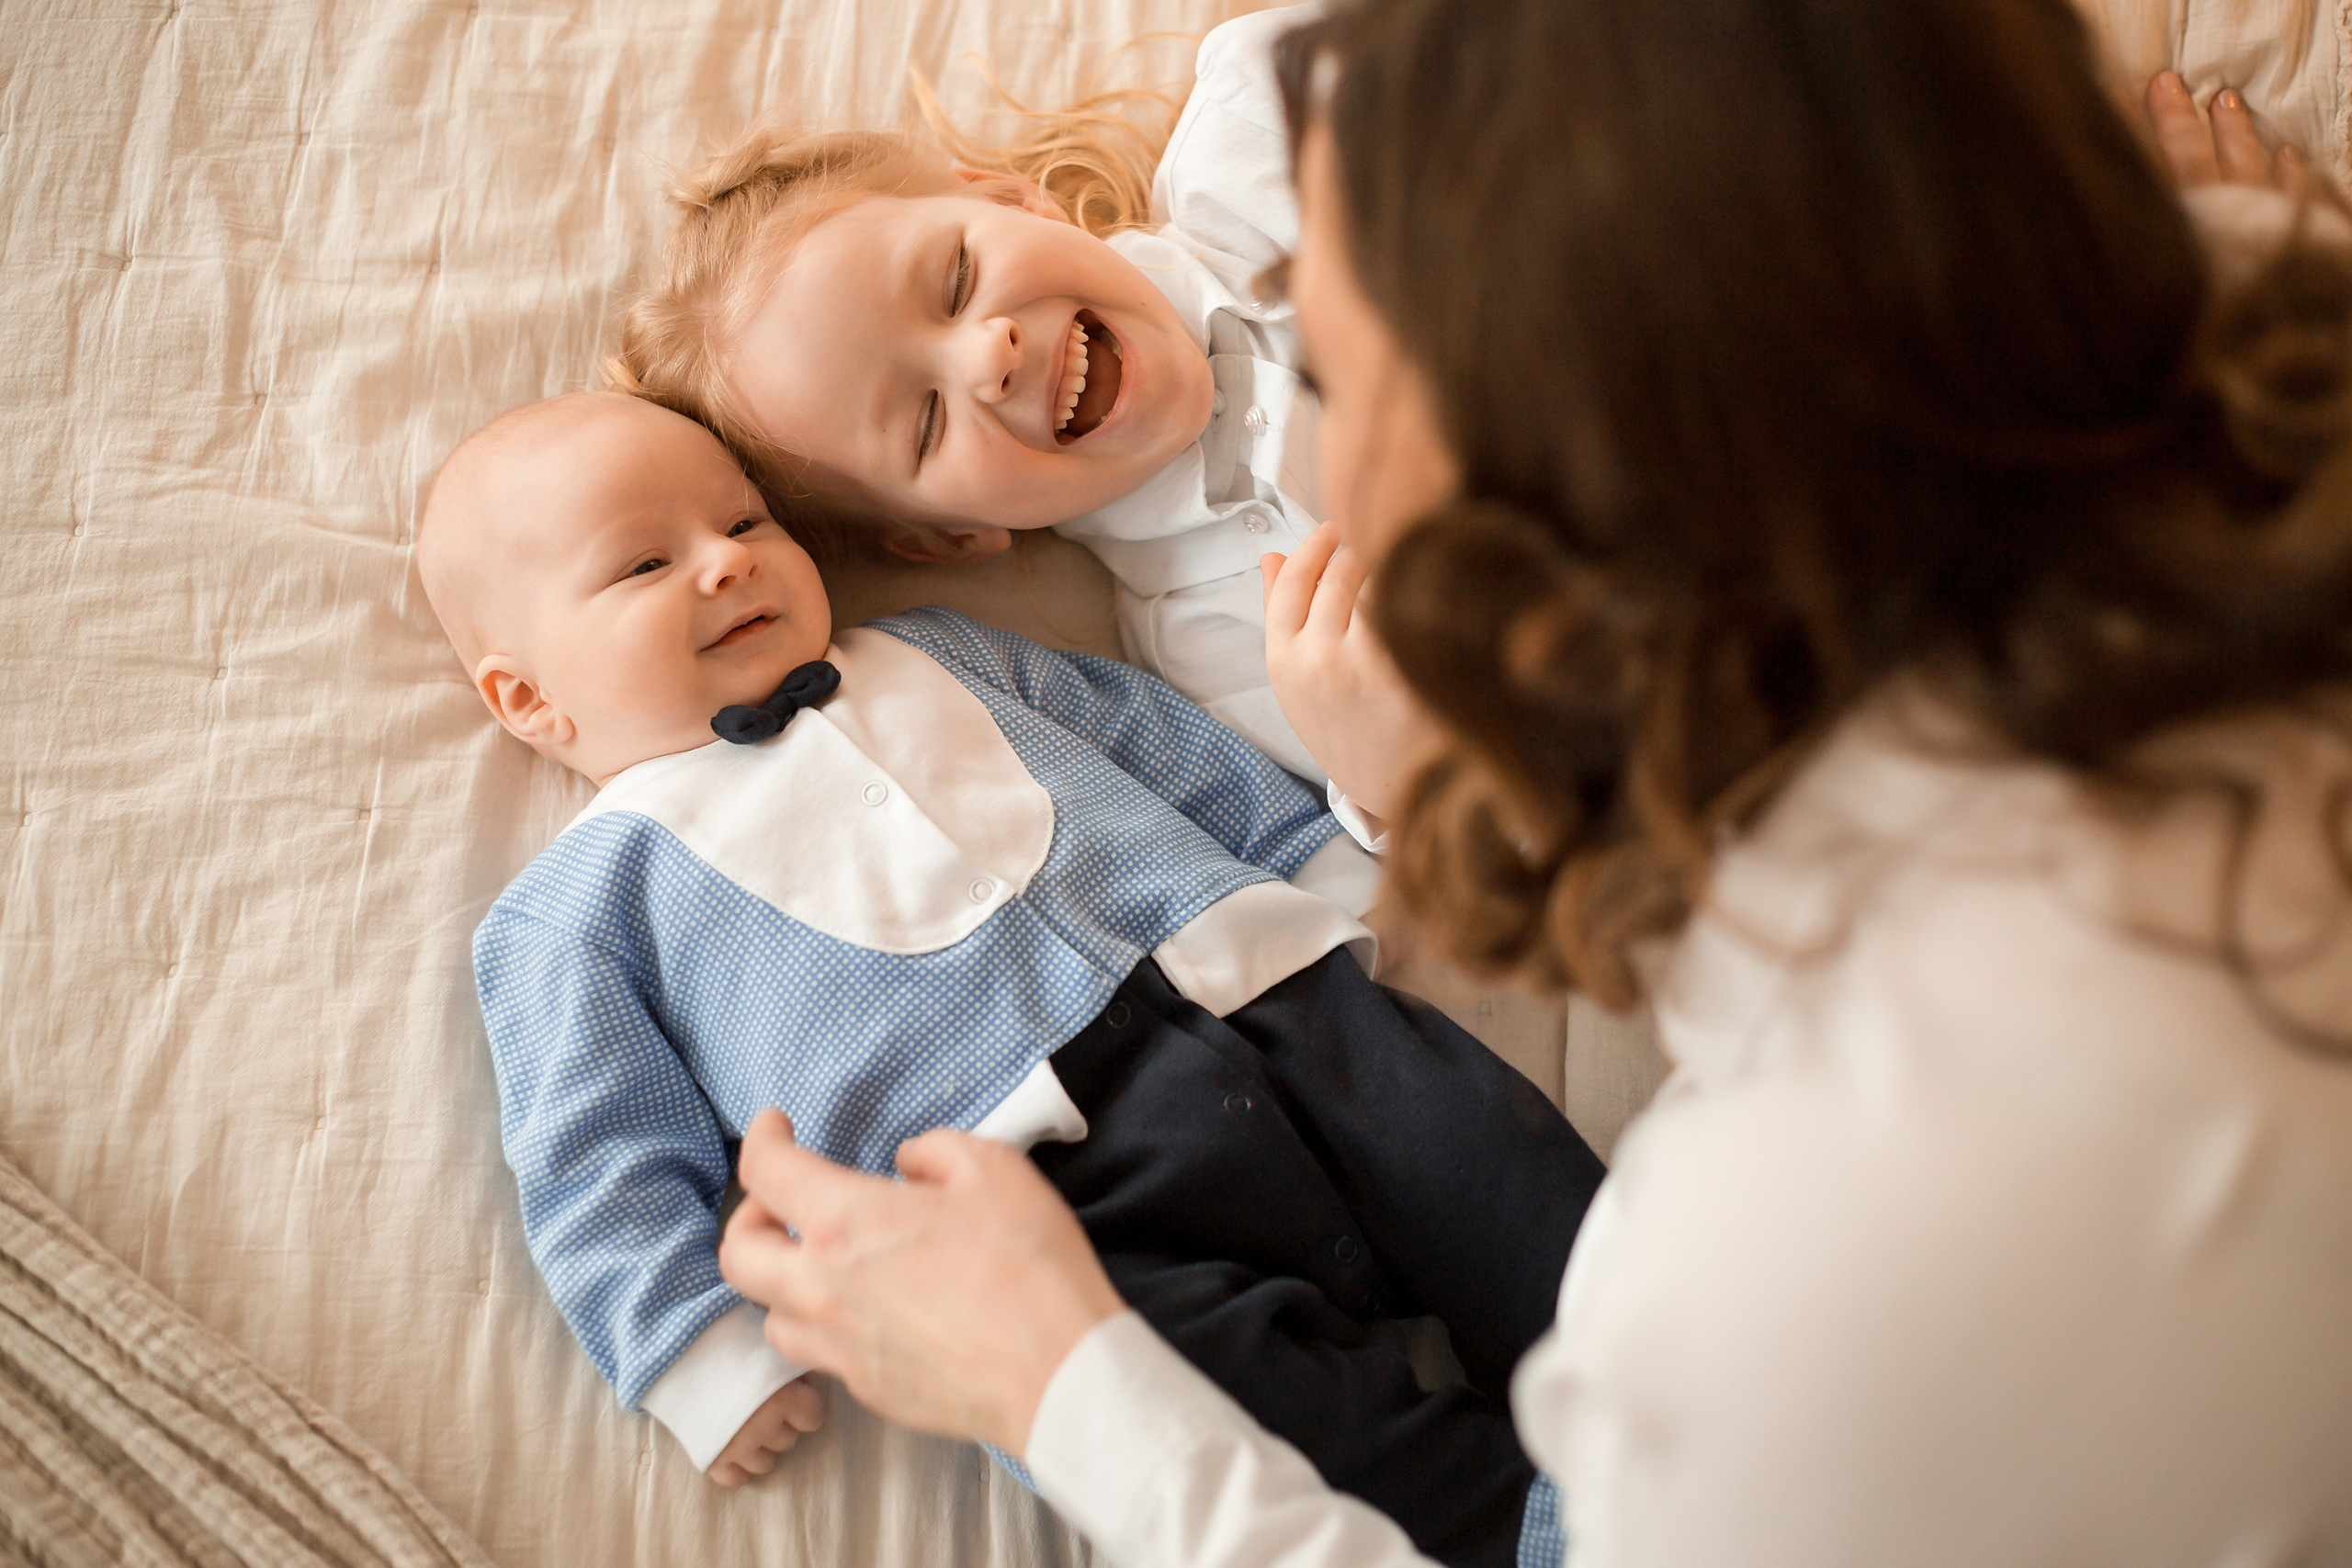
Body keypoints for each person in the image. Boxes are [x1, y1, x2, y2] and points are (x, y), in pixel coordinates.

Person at [711, 0, 2352, 1563]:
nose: (1295, 455)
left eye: (1337, 372)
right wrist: (2225, 292)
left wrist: (1054, 1376)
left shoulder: (1742, 1283)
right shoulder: (2239, 397)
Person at [415, 389, 1607, 1566]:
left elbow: (1149, 737)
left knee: (1507, 1176)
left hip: (1277, 1005)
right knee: (1248, 1415)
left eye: (744, 522)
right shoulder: (576, 909)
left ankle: (1664, 1413)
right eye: (641, 564)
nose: (726, 564)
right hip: (1056, 1208)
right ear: (528, 697)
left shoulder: (937, 649)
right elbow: (592, 1145)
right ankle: (1519, 1535)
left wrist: (1315, 866)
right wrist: (694, 1345)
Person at [610, 8, 1399, 809]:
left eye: (955, 279)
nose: (990, 357)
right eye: (926, 424)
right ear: (950, 537)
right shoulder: (1234, 652)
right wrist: (1389, 769)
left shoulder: (1266, 121)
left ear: (1016, 202)